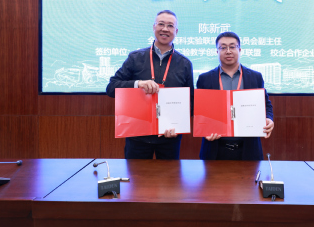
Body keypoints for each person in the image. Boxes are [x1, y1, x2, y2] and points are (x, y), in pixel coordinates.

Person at [106, 10, 194, 159]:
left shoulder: (184, 64)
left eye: (170, 26)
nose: (165, 29)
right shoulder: (135, 58)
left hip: (169, 137)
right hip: (137, 135)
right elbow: (111, 88)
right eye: (161, 24)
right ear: (154, 27)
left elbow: (190, 101)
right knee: (135, 174)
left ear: (176, 31)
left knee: (169, 175)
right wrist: (138, 84)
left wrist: (178, 126)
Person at [196, 31, 274, 160]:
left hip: (248, 149)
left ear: (240, 49)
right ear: (217, 51)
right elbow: (199, 110)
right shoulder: (205, 79)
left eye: (232, 46)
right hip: (214, 149)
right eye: (223, 47)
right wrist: (204, 130)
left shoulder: (255, 77)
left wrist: (269, 118)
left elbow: (266, 104)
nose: (228, 51)